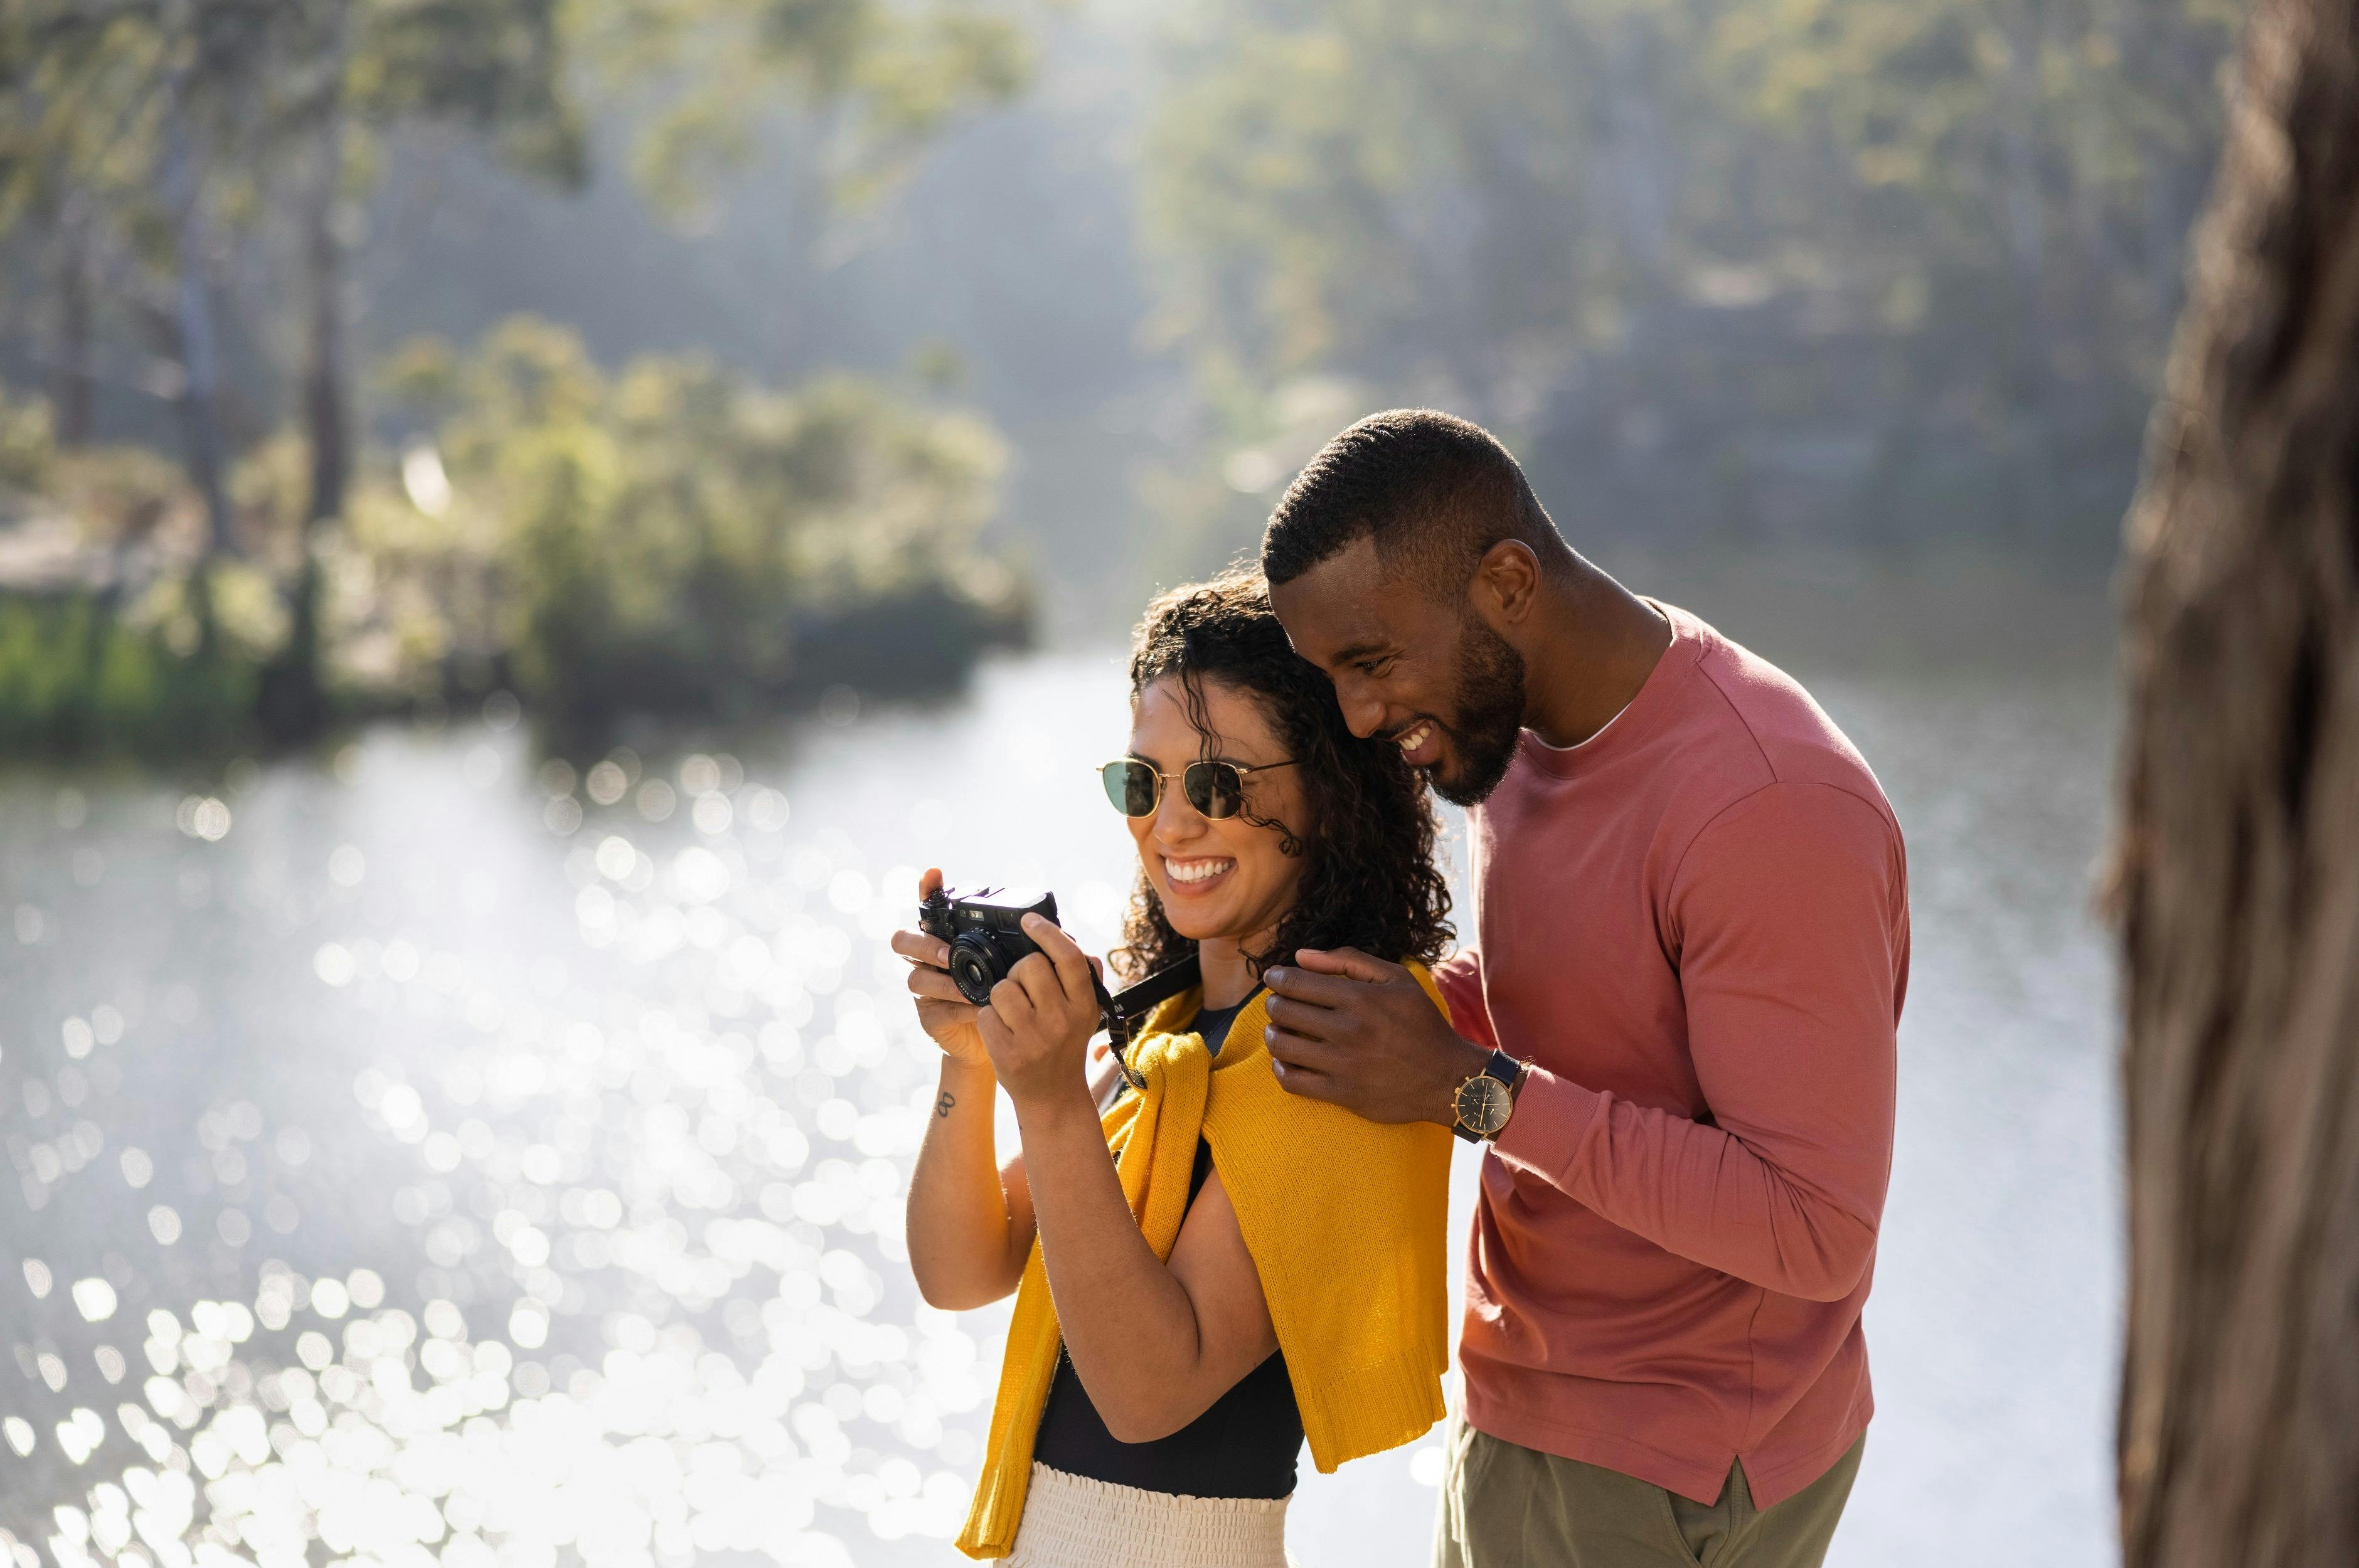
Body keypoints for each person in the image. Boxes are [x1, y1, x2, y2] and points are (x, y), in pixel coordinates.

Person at [1256, 410, 1909, 1568]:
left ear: (1508, 583)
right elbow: (1588, 993)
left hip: (1665, 1462)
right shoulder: (1512, 726)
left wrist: (1470, 1092)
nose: (1358, 715)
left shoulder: (1767, 808)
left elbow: (1816, 1231)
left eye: (1371, 662)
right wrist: (1402, 1013)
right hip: (1544, 1413)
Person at [895, 574, 1461, 1567]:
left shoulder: (1340, 1039)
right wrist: (975, 1070)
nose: (1173, 825)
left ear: (1328, 787)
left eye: (1219, 784)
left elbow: (1151, 1390)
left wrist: (1054, 1100)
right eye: (1142, 784)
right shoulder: (1164, 1029)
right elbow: (961, 1271)